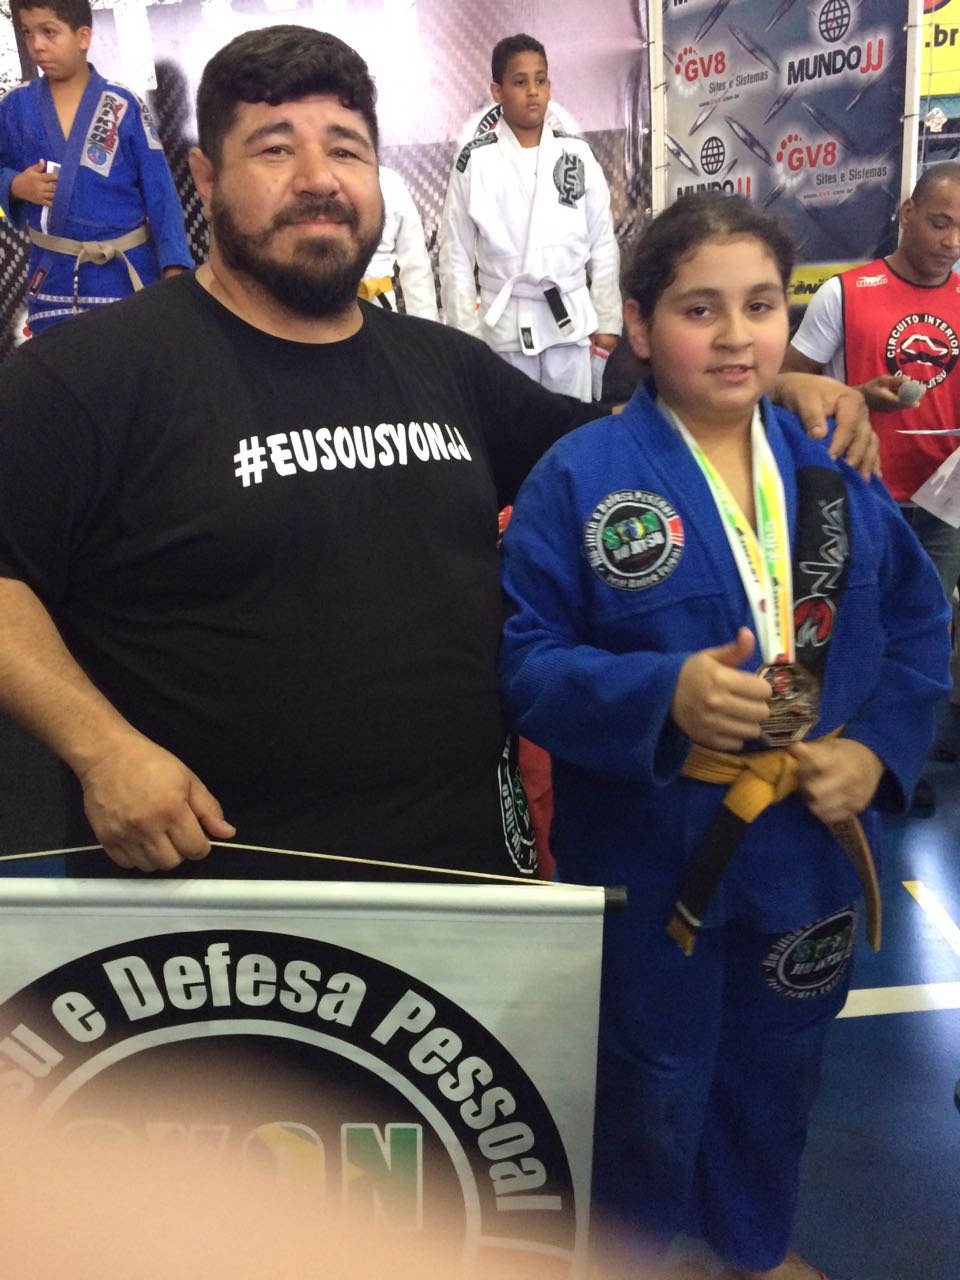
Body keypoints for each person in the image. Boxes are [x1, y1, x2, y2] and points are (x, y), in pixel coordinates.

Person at [0, 27, 877, 883]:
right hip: (225, 889)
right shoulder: (91, 375)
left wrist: (764, 391)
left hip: (463, 876)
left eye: (345, 149)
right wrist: (101, 750)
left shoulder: (444, 366)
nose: (318, 179)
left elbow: (618, 444)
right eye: (274, 148)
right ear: (204, 176)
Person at [498, 195, 950, 1279]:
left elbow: (917, 624)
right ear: (640, 323)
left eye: (761, 306)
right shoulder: (579, 477)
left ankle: (751, 1244)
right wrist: (663, 694)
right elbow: (524, 663)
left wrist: (876, 751)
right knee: (647, 1073)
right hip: (650, 840)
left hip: (806, 837)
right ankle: (639, 1253)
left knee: (780, 1065)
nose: (738, 335)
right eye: (701, 309)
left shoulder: (830, 460)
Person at [783, 163, 960, 604]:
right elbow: (783, 386)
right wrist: (853, 398)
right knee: (855, 623)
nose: (952, 242)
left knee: (928, 625)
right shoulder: (843, 293)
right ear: (908, 212)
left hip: (945, 506)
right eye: (941, 224)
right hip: (861, 493)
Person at [438, 33, 621, 402]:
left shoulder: (577, 156)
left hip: (569, 321)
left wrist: (606, 317)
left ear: (550, 86)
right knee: (511, 428)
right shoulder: (475, 161)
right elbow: (455, 253)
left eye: (540, 80)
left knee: (573, 424)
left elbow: (603, 241)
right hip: (504, 326)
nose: (532, 91)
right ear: (497, 91)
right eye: (520, 82)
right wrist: (465, 334)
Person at [0, 0, 192, 337]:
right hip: (54, 279)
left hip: (126, 276)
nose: (37, 45)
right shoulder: (15, 106)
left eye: (49, 32)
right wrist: (15, 185)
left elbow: (161, 192)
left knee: (132, 362)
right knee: (61, 366)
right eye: (28, 33)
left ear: (83, 36)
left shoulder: (123, 105)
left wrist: (174, 266)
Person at [358, 163, 438, 319]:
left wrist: (425, 325)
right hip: (324, 310)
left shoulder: (389, 183)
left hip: (381, 305)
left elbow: (416, 266)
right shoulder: (318, 182)